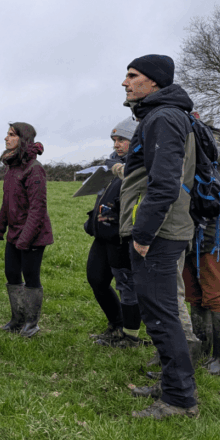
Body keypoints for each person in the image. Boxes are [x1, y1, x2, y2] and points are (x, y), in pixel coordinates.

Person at [119, 54, 200, 419]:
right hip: (163, 229)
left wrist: (143, 233)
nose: (125, 82)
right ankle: (171, 384)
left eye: (133, 76)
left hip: (159, 232)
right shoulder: (165, 115)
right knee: (159, 313)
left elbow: (165, 183)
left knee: (162, 316)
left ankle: (179, 400)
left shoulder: (163, 117)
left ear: (154, 82)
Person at [183, 122, 220, 376]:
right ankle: (202, 352)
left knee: (218, 296)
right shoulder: (189, 147)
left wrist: (198, 203)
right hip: (189, 231)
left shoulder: (216, 148)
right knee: (195, 295)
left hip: (218, 234)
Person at [85, 118, 147, 348]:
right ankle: (116, 324)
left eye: (122, 139)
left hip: (122, 238)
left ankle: (130, 336)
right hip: (103, 236)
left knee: (127, 286)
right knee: (96, 279)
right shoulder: (112, 167)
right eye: (114, 139)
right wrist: (93, 220)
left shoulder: (138, 168)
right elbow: (104, 198)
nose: (116, 144)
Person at [0, 122, 53, 338]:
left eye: (11, 135)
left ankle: (31, 323)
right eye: (7, 134)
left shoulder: (34, 169)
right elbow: (7, 202)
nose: (6, 139)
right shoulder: (11, 168)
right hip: (14, 233)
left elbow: (38, 209)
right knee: (11, 273)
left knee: (31, 276)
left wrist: (25, 239)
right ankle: (17, 320)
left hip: (33, 234)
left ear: (23, 139)